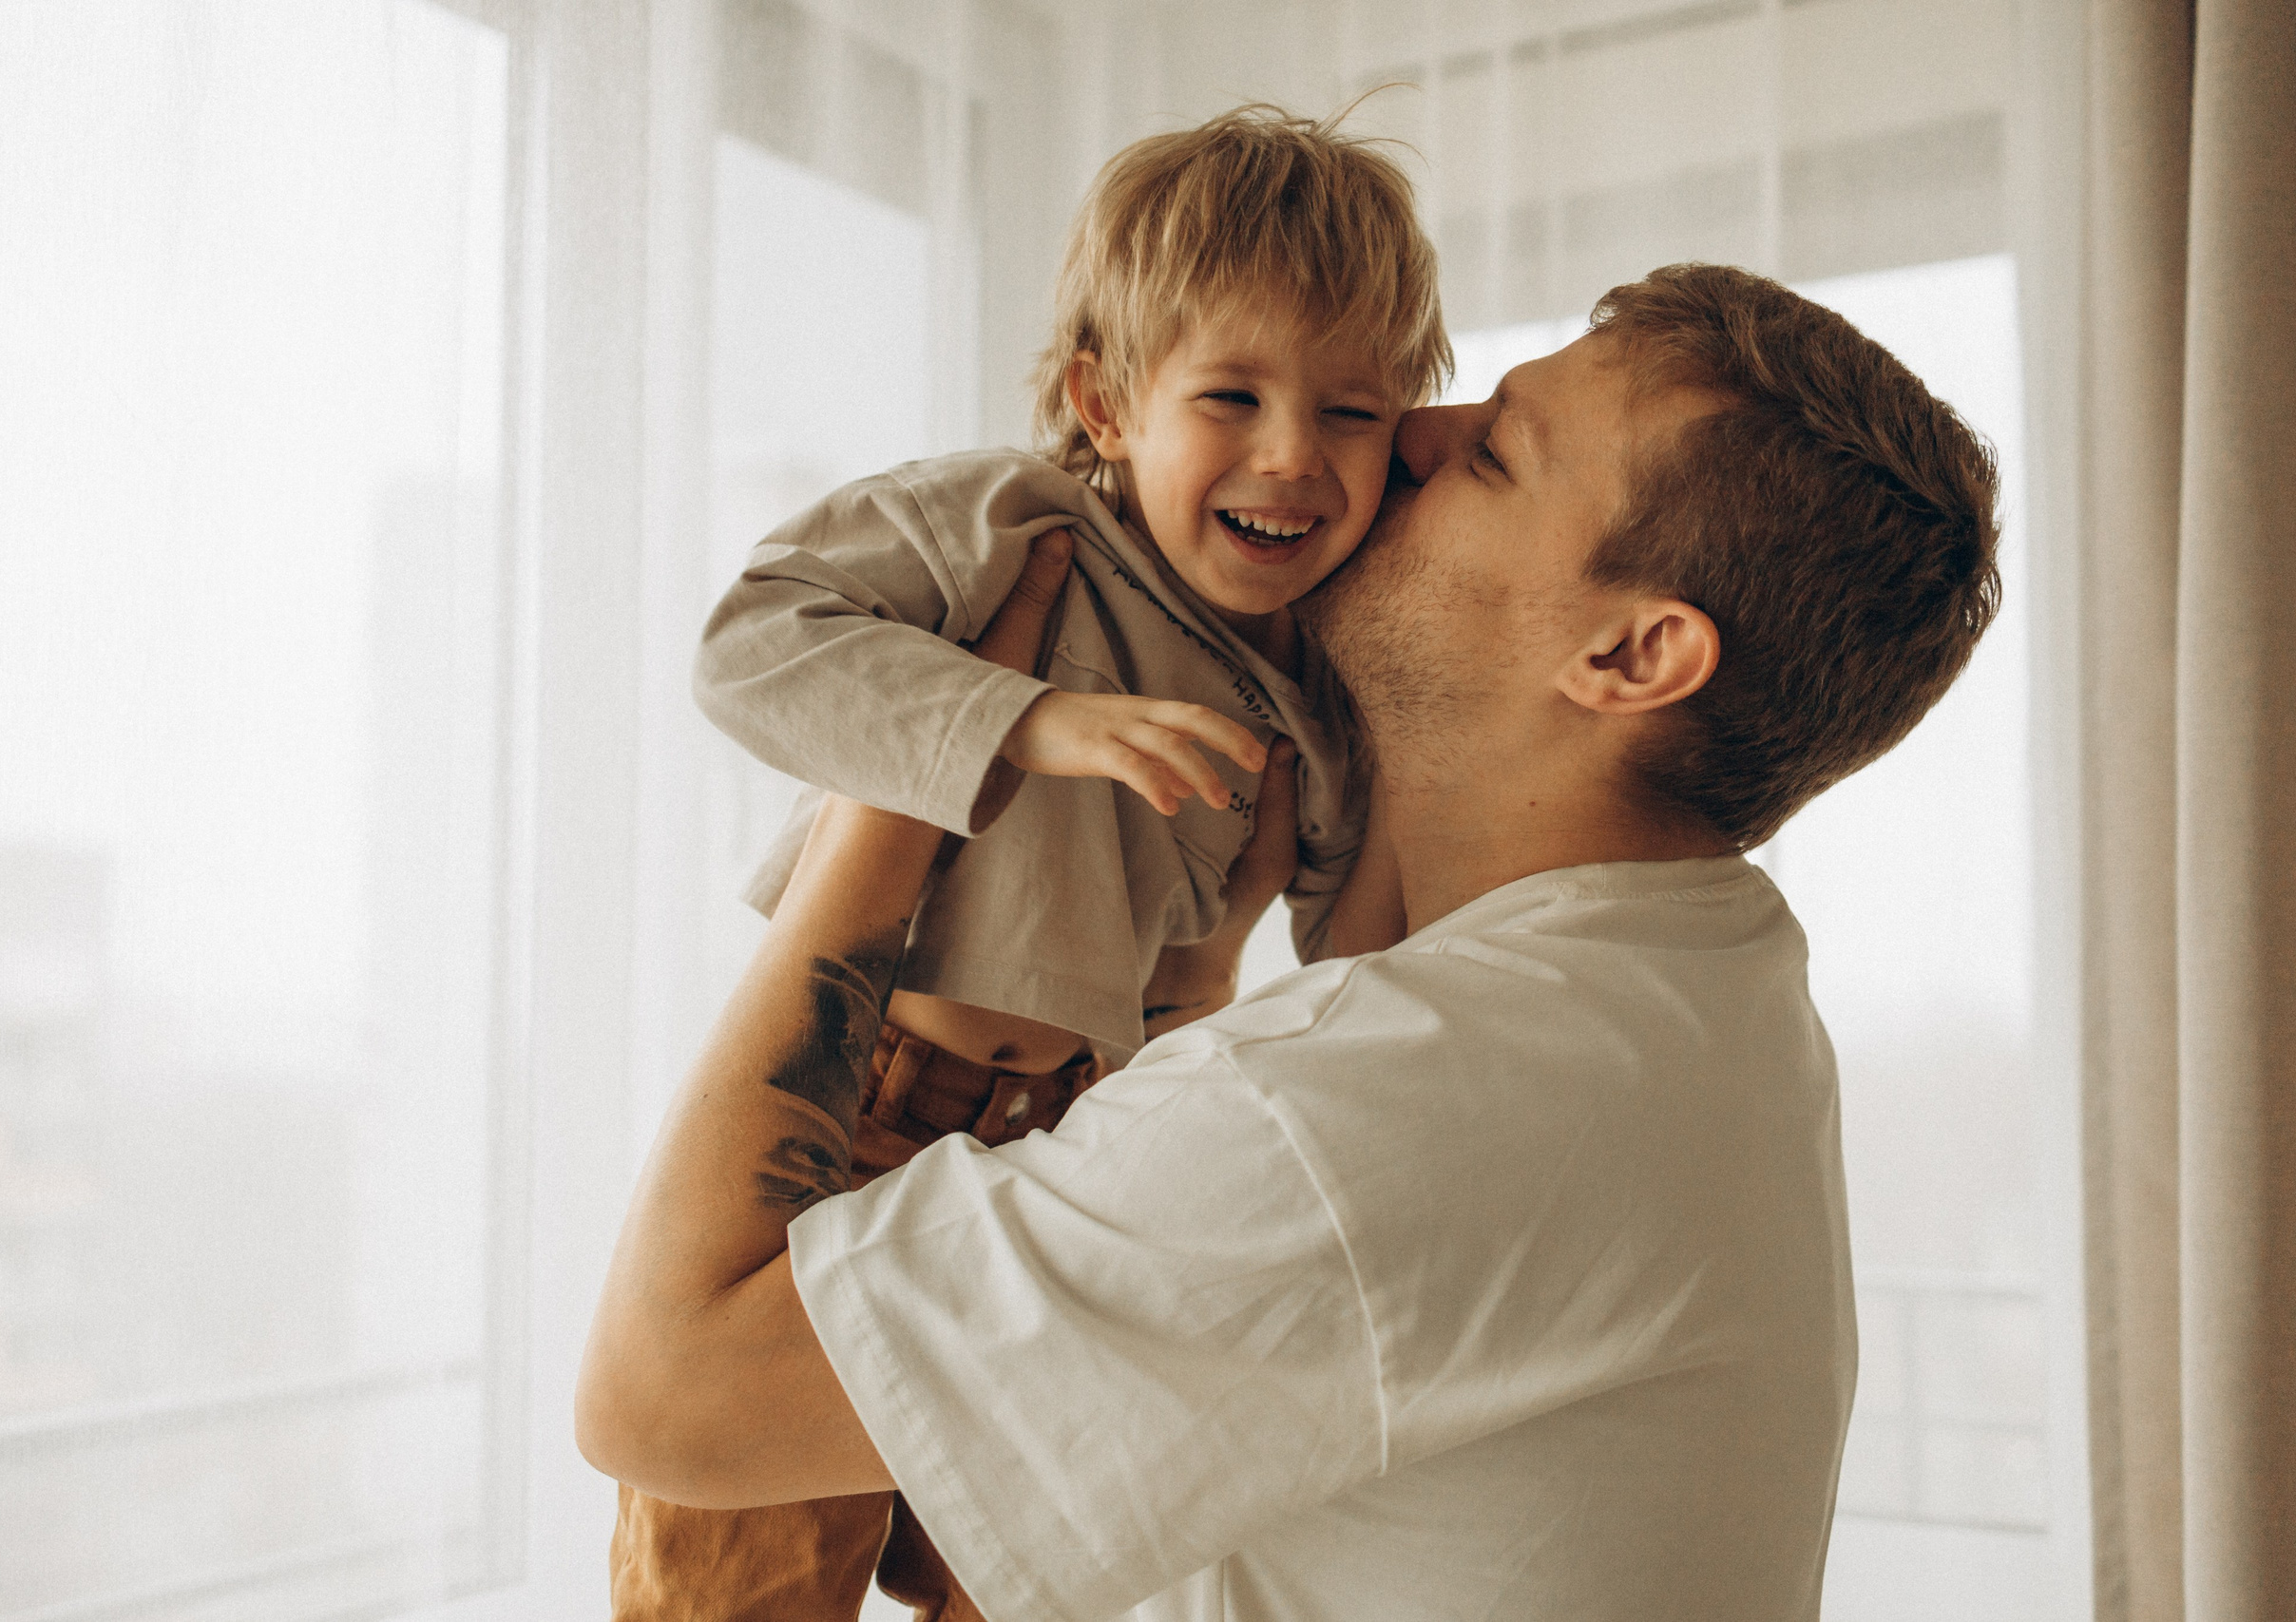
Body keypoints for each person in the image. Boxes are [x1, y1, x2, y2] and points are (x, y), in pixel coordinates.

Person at [579, 262, 2001, 1622]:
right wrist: (1194, 986)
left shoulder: (1394, 1104)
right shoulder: (1700, 998)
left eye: (1495, 455)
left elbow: (662, 1398)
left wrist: (904, 781)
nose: (1407, 438)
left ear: (1632, 654)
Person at [614, 105, 1448, 1618]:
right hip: (855, 1113)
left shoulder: (1317, 693)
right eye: (1233, 395)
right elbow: (749, 647)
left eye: (1352, 412)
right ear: (1106, 401)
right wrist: (1028, 720)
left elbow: (1366, 946)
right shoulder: (1010, 523)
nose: (1292, 456)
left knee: (1028, 1576)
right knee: (741, 1580)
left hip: (1073, 1155)